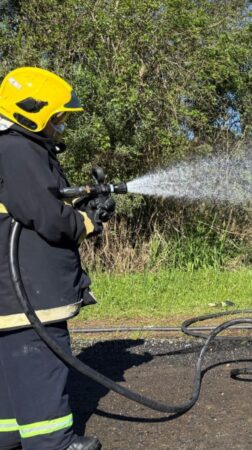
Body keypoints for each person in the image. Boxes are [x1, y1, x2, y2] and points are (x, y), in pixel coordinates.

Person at [0, 67, 115, 450]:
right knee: (41, 361)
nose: (59, 126)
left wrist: (80, 207)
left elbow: (31, 205)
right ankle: (53, 443)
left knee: (13, 364)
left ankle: (9, 434)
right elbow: (47, 217)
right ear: (30, 112)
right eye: (56, 117)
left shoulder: (10, 147)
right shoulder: (17, 148)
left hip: (14, 290)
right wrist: (87, 221)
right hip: (28, 289)